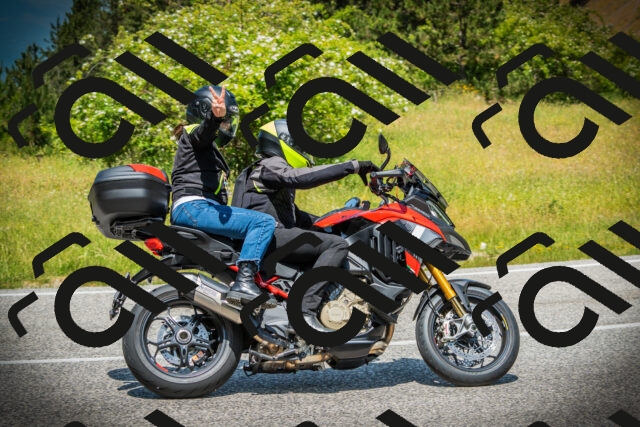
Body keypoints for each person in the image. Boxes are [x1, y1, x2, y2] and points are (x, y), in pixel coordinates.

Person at [231, 119, 378, 331]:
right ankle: (303, 310)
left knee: (328, 240)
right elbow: (299, 178)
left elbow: (302, 219)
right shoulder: (269, 165)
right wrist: (351, 166)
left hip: (271, 236)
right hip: (266, 237)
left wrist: (346, 218)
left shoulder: (273, 179)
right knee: (336, 245)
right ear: (283, 142)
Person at [170, 85, 276, 307]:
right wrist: (215, 117)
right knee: (263, 222)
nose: (227, 126)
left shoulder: (205, 150)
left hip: (199, 209)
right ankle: (244, 283)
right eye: (225, 121)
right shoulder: (193, 134)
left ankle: (246, 288)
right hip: (193, 207)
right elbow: (204, 133)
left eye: (228, 121)